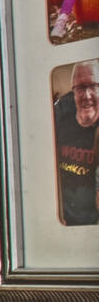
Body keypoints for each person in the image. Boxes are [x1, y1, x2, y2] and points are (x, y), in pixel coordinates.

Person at [59, 60, 99, 227]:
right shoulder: (60, 113)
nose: (87, 95)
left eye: (94, 86)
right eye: (80, 88)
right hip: (61, 216)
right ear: (73, 90)